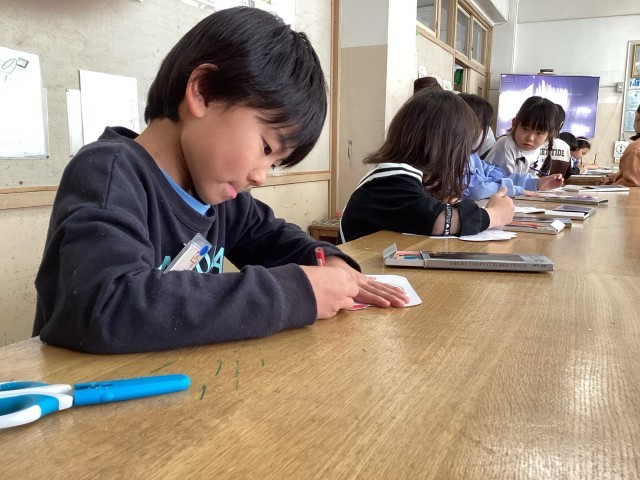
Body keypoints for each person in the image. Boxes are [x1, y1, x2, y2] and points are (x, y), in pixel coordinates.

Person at [33, 7, 409, 354]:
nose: (261, 176)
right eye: (266, 147)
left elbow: (273, 237)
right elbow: (104, 305)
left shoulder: (219, 198)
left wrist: (327, 261)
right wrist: (295, 292)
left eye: (275, 163)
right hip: (86, 394)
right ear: (204, 91)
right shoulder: (109, 172)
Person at [338, 89, 514, 243]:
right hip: (361, 268)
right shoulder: (389, 177)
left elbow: (419, 215)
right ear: (445, 147)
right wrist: (494, 215)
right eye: (463, 148)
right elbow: (437, 220)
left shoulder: (408, 177)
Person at [458, 93, 563, 200]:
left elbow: (498, 176)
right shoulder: (456, 159)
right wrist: (518, 190)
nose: (531, 138)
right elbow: (478, 190)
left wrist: (536, 183)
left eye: (485, 128)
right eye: (481, 128)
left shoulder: (472, 157)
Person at [483, 96, 558, 176]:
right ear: (514, 124)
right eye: (525, 129)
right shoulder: (506, 144)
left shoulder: (543, 146)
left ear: (548, 135)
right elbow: (506, 181)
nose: (530, 138)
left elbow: (531, 176)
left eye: (539, 133)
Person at [602, 105, 640, 186]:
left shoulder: (636, 148)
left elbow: (632, 183)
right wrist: (613, 177)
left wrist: (609, 184)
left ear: (637, 116)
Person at [535, 104, 572, 177]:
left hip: (531, 183)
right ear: (561, 123)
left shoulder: (533, 142)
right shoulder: (565, 146)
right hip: (557, 183)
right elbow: (567, 174)